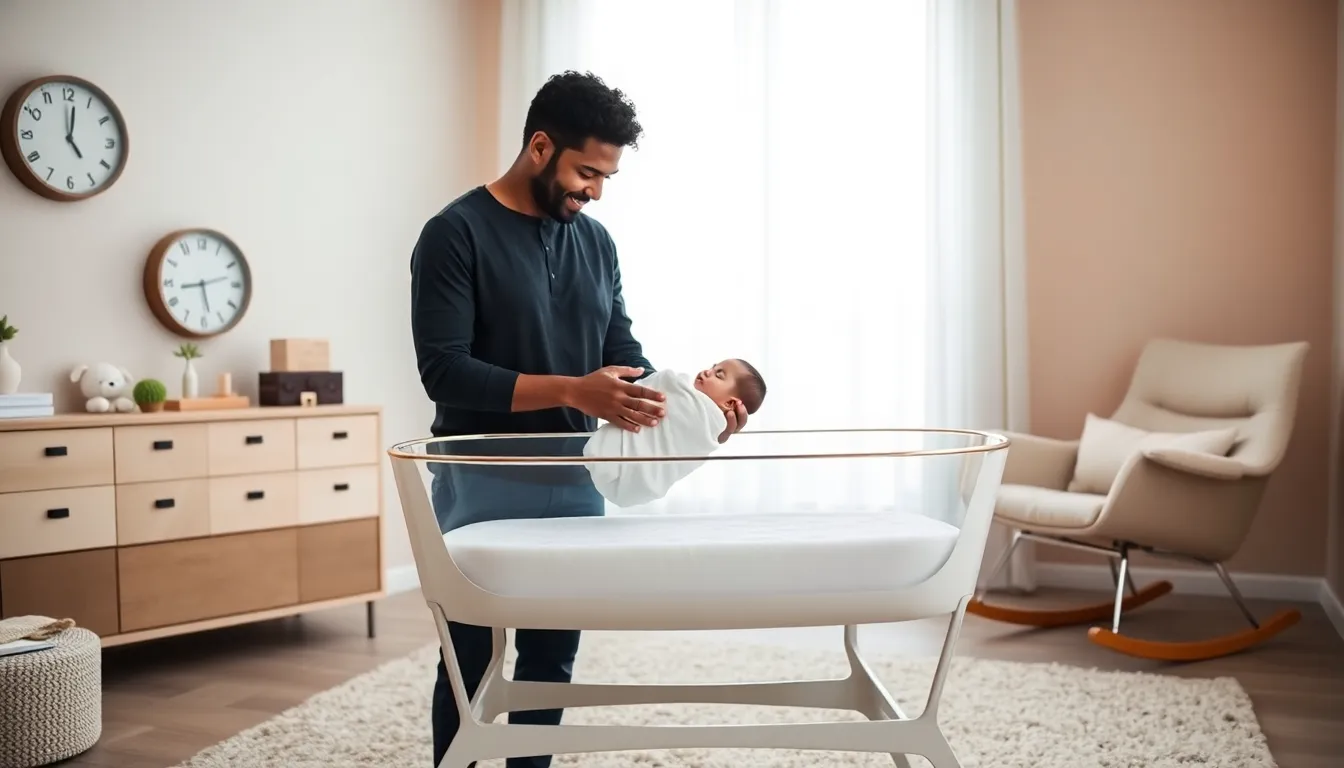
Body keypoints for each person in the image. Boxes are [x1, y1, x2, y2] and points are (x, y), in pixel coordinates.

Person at [409, 70, 748, 768]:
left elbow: (622, 356)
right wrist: (576, 390)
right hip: (480, 474)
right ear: (540, 147)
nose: (594, 191)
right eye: (586, 172)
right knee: (469, 658)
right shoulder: (454, 233)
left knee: (551, 659)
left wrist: (694, 414)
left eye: (605, 177)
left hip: (577, 473)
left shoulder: (595, 242)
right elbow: (445, 370)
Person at [583, 359, 767, 508]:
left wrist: (662, 383)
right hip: (594, 475)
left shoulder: (706, 427)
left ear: (730, 404)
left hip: (594, 471)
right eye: (712, 367)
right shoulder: (683, 391)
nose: (707, 372)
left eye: (719, 374)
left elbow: (662, 382)